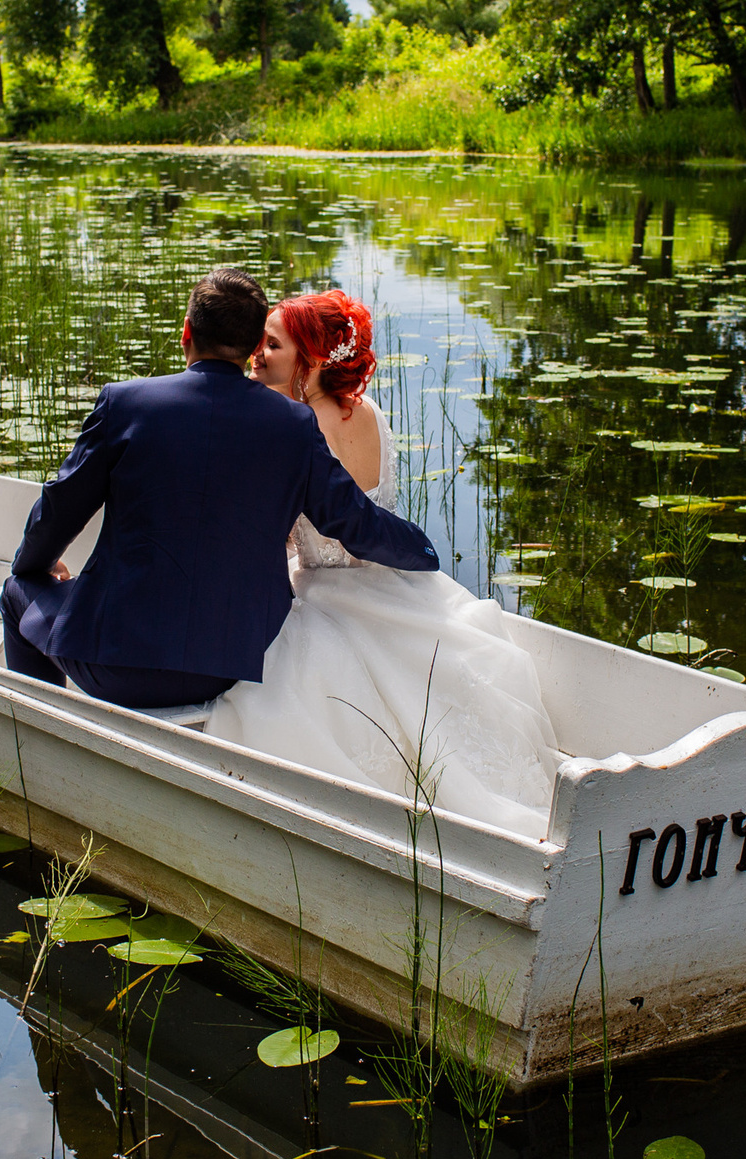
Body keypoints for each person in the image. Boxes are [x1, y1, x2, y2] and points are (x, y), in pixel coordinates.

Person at [199, 289, 564, 841]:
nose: (257, 353)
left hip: (321, 593)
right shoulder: (368, 412)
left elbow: (274, 533)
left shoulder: (294, 427)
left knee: (273, 685)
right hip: (395, 586)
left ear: (313, 360)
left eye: (272, 345)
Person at [1, 268, 441, 714]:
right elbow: (355, 523)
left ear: (187, 332)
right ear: (252, 346)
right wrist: (423, 551)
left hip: (112, 666)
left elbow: (61, 507)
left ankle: (38, 731)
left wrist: (33, 565)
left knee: (17, 588)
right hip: (228, 666)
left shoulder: (125, 404)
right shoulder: (294, 425)